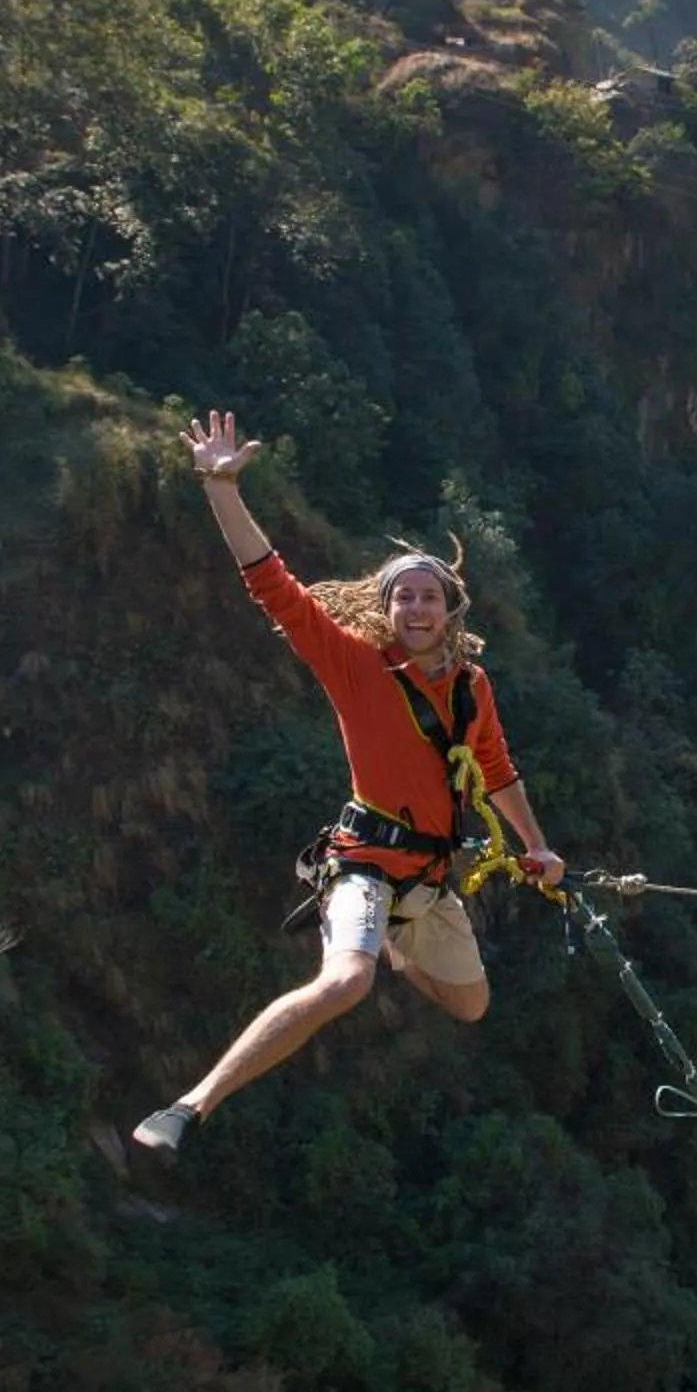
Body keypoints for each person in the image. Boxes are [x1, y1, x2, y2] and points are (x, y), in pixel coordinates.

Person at [131, 409, 565, 1155]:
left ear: (450, 610)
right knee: (344, 985)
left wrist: (538, 847)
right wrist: (222, 488)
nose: (417, 608)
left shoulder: (470, 688)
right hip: (364, 864)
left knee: (470, 1005)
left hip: (429, 875)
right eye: (404, 597)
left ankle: (394, 943)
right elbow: (273, 586)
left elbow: (495, 770)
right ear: (387, 609)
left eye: (430, 597)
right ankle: (189, 1107)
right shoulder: (357, 667)